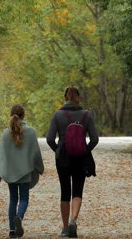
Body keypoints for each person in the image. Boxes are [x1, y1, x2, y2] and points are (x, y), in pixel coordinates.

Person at [46, 87, 99, 238]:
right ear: (78, 97)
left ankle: (64, 228)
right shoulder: (86, 115)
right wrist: (85, 150)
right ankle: (73, 220)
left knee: (64, 191)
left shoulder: (58, 115)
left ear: (65, 98)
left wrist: (58, 150)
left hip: (63, 158)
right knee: (77, 191)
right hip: (81, 158)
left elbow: (50, 139)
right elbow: (95, 139)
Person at [0, 104, 45, 238]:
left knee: (13, 200)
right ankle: (19, 217)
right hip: (25, 172)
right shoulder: (31, 131)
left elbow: (1, 155)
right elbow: (36, 153)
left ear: (10, 115)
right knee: (24, 198)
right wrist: (40, 168)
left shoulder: (5, 133)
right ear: (24, 115)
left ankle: (12, 231)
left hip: (10, 173)